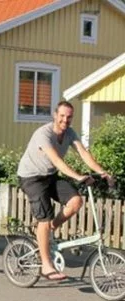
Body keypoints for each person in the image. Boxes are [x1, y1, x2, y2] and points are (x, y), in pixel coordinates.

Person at [17, 101, 114, 281]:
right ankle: (46, 265)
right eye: (62, 116)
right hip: (31, 178)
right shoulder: (43, 134)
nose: (65, 120)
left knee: (76, 201)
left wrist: (103, 173)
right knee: (44, 219)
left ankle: (48, 230)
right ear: (55, 115)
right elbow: (57, 161)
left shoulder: (70, 133)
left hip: (50, 176)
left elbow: (83, 154)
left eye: (69, 117)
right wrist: (78, 177)